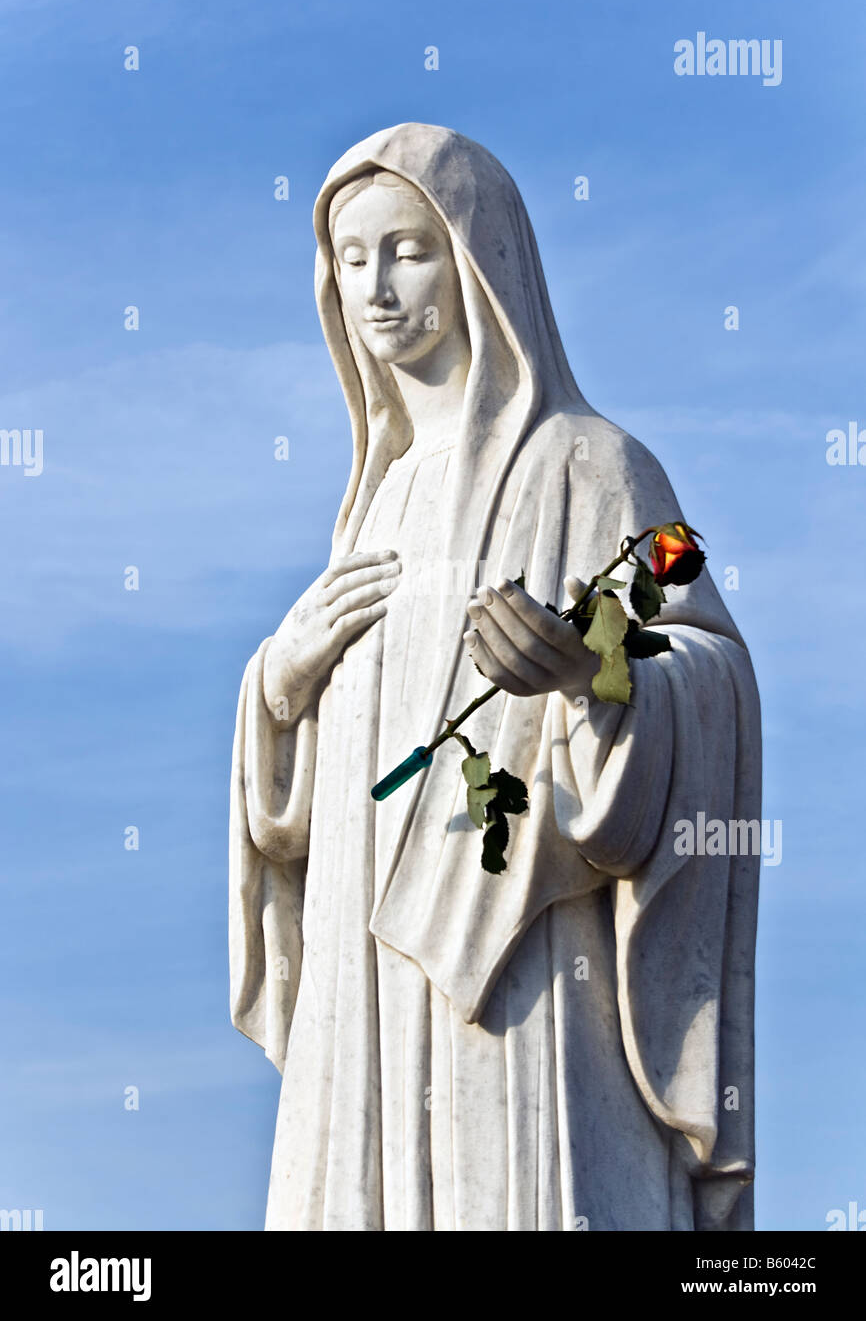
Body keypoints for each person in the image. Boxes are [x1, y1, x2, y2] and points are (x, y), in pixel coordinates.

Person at [229, 123, 761, 1231]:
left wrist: (593, 682)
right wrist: (278, 683)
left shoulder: (597, 466)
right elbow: (300, 818)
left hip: (523, 967)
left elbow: (710, 664)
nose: (374, 287)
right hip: (359, 988)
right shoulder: (366, 508)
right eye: (350, 257)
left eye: (408, 249)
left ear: (479, 260)